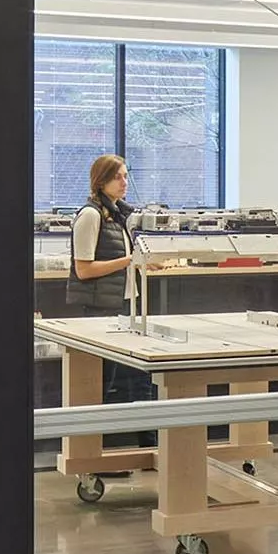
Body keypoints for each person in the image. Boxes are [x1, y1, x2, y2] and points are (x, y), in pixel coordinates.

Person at [67, 154, 155, 444]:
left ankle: (147, 445)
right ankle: (96, 451)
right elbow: (84, 269)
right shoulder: (90, 215)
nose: (124, 182)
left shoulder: (117, 216)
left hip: (125, 304)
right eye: (118, 177)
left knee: (139, 378)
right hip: (100, 309)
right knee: (104, 382)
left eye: (126, 176)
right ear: (101, 180)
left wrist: (144, 262)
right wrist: (130, 260)